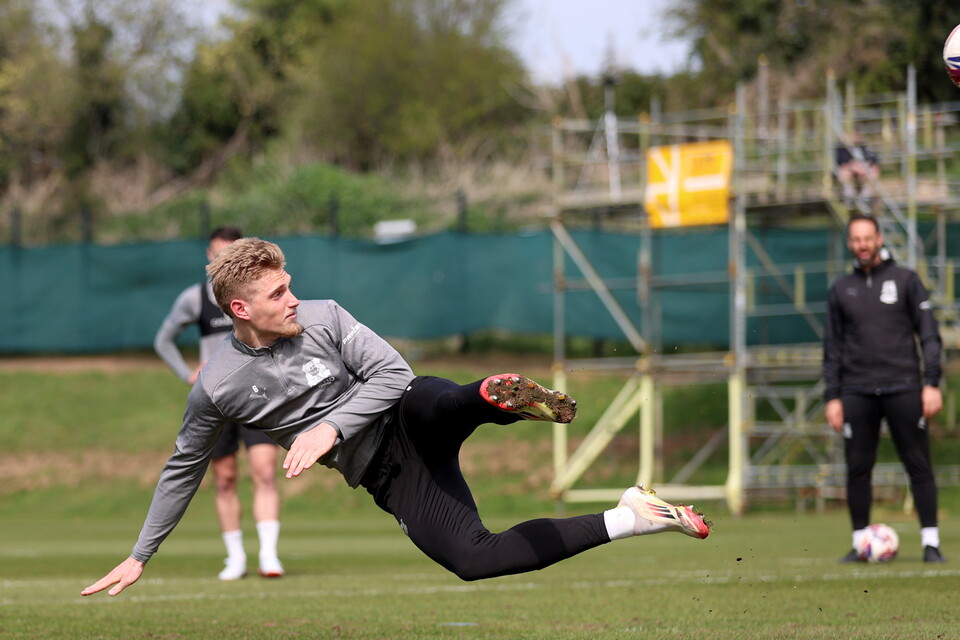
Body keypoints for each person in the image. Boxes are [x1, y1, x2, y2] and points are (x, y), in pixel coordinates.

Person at [82, 238, 711, 597]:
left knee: (440, 399)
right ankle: (632, 516)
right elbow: (182, 468)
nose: (294, 297)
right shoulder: (216, 385)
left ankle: (491, 398)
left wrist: (329, 427)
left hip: (409, 415)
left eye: (290, 283)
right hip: (389, 475)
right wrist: (141, 554)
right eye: (279, 294)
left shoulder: (324, 315)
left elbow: (394, 376)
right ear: (241, 308)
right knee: (475, 559)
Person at [153, 226, 284, 580]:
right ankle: (235, 557)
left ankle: (269, 556)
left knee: (265, 471)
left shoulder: (261, 293)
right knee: (224, 479)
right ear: (209, 256)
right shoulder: (195, 298)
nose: (220, 257)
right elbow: (164, 339)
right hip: (217, 400)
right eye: (215, 252)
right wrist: (187, 374)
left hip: (259, 395)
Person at [823, 213, 945, 563]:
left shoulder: (906, 280)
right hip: (857, 390)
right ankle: (861, 543)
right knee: (858, 468)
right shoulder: (840, 289)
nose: (862, 244)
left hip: (904, 386)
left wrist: (931, 383)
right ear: (850, 243)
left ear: (879, 239)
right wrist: (832, 396)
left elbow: (930, 335)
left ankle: (931, 544)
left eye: (868, 237)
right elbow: (832, 349)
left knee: (918, 465)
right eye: (856, 239)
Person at [835, 130, 880, 212]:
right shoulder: (841, 148)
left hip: (862, 169)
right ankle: (849, 196)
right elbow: (841, 161)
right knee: (844, 172)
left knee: (873, 171)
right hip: (850, 169)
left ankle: (865, 197)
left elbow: (873, 158)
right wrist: (852, 166)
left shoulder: (863, 147)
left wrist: (866, 165)